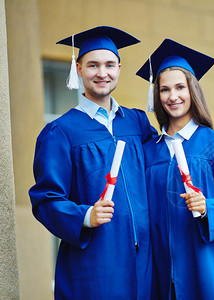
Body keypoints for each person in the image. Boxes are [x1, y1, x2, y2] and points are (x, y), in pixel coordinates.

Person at [29, 26, 158, 299]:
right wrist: (85, 215)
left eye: (110, 65)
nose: (102, 73)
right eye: (93, 65)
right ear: (78, 68)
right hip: (95, 265)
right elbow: (46, 200)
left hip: (142, 262)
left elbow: (165, 165)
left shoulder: (137, 122)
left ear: (119, 68)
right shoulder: (61, 132)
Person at [136, 39, 214, 300]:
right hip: (162, 268)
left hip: (209, 264)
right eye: (164, 89)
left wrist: (207, 207)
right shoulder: (149, 152)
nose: (173, 96)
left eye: (180, 87)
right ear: (157, 95)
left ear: (193, 90)